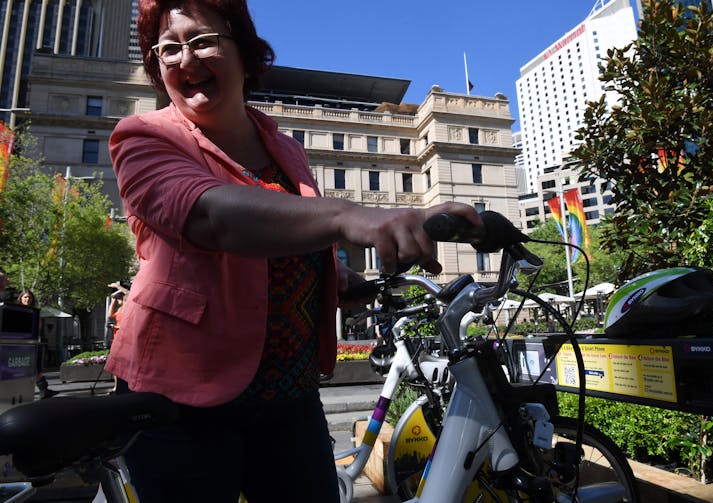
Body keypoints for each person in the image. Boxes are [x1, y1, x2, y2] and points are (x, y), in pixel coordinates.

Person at [106, 1, 482, 502]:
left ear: (244, 51)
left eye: (201, 40)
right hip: (182, 399)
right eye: (168, 49)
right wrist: (349, 215)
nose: (183, 59)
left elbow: (284, 248)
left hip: (290, 395)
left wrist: (339, 279)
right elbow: (211, 217)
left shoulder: (286, 148)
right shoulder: (143, 136)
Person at [16, 289, 59, 399]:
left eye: (29, 297)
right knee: (25, 368)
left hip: (33, 343)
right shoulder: (17, 310)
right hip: (20, 344)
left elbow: (38, 327)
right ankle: (43, 390)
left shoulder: (34, 311)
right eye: (25, 297)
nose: (27, 299)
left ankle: (44, 390)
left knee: (36, 368)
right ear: (20, 298)